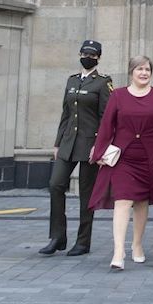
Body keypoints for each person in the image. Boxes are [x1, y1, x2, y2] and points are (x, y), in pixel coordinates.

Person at [89, 55, 153, 270]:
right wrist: (99, 153)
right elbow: (107, 125)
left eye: (147, 69)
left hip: (149, 158)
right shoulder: (117, 96)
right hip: (123, 158)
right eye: (139, 69)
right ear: (131, 72)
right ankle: (119, 250)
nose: (144, 73)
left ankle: (137, 245)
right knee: (123, 200)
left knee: (142, 203)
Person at [39, 40, 113, 257]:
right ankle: (57, 237)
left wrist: (99, 146)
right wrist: (57, 143)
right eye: (84, 53)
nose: (87, 57)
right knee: (55, 184)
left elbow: (106, 117)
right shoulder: (71, 81)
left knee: (86, 193)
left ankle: (83, 241)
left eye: (91, 54)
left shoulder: (103, 83)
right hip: (68, 142)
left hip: (90, 144)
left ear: (98, 57)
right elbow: (66, 114)